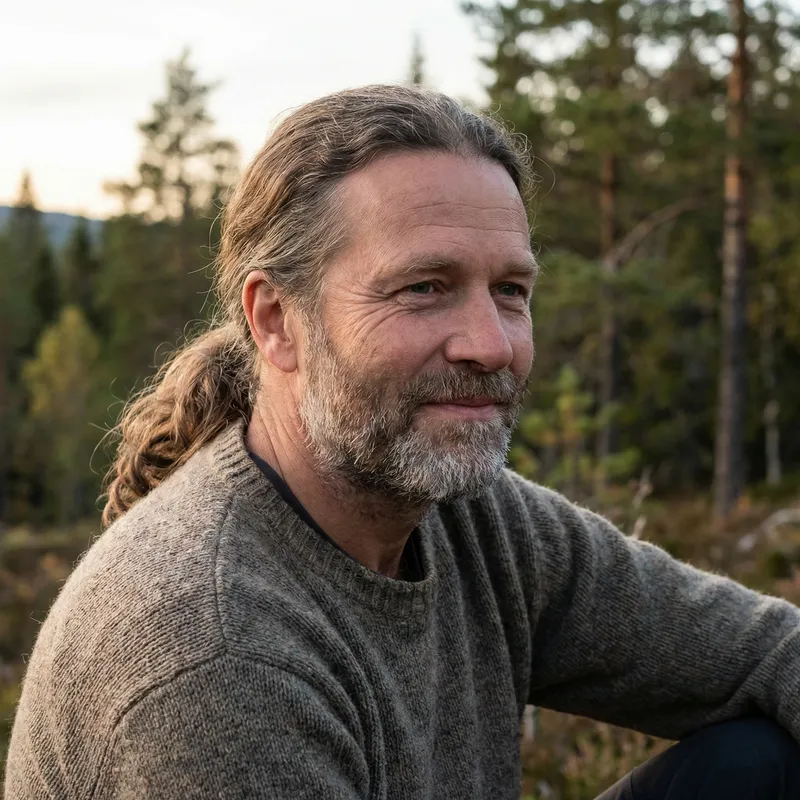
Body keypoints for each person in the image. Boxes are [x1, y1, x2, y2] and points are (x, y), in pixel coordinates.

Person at [5, 85, 800, 800]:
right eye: (424, 288)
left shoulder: (471, 519)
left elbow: (768, 654)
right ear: (276, 320)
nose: (490, 345)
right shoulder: (219, 660)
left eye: (510, 291)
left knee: (757, 767)